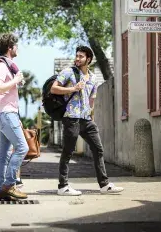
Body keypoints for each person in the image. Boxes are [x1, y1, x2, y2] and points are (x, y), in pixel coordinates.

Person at [50, 45, 124, 195]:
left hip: (86, 119)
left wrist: (92, 118)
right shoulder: (69, 72)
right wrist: (73, 89)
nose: (77, 59)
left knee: (98, 149)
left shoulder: (93, 77)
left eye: (81, 56)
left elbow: (92, 100)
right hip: (71, 117)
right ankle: (63, 186)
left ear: (88, 59)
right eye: (76, 56)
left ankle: (104, 185)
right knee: (68, 152)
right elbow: (54, 88)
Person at [0, 33, 28, 200]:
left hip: (6, 113)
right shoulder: (2, 66)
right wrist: (16, 80)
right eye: (15, 46)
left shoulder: (7, 66)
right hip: (5, 114)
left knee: (3, 153)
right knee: (22, 148)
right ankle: (9, 185)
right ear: (10, 48)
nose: (17, 48)